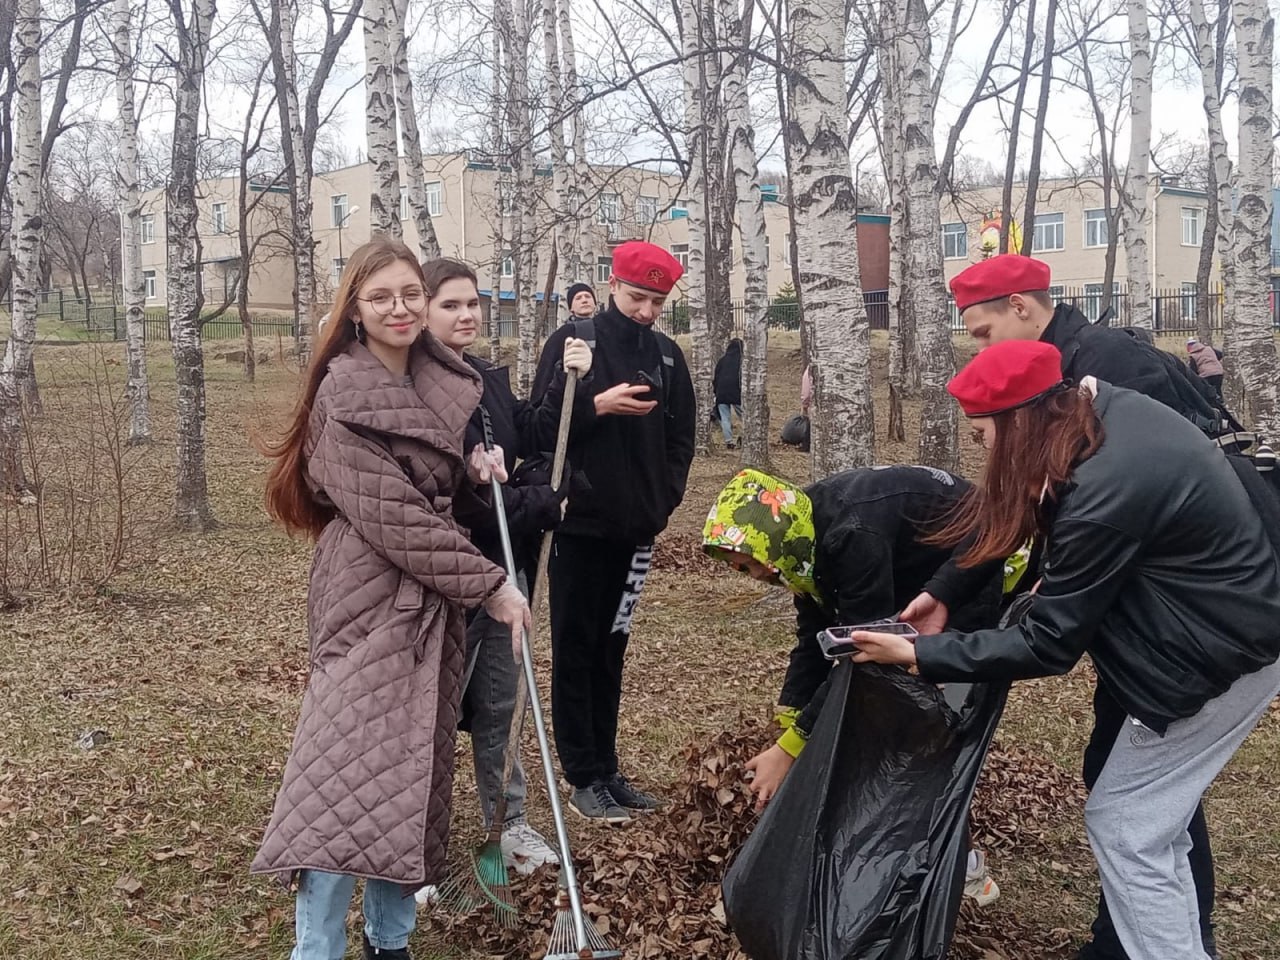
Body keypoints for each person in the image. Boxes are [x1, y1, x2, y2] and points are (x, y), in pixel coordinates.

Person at [853, 339, 1280, 960]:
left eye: (983, 434)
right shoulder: (1095, 410)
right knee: (1150, 829)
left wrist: (917, 657)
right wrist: (944, 591)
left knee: (1128, 828)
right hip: (1223, 632)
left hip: (1221, 659)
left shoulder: (1109, 485)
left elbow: (1049, 643)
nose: (982, 448)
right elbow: (1022, 506)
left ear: (1021, 420)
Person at [919, 254, 1223, 960]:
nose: (981, 345)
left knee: (1140, 795)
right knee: (1128, 782)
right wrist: (943, 592)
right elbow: (1018, 505)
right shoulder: (1046, 378)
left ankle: (1155, 937)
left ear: (1023, 307)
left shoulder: (1108, 365)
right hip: (1128, 613)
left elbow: (1169, 488)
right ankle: (1142, 933)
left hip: (1171, 614)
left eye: (983, 329)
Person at [251, 239, 533, 960]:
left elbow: (424, 491)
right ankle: (316, 950)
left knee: (409, 777)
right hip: (367, 598)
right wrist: (490, 584)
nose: (400, 308)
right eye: (381, 297)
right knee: (338, 781)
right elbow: (396, 519)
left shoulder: (440, 378)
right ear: (356, 309)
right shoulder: (341, 394)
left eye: (410, 292)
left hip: (430, 606)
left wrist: (470, 472)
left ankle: (390, 940)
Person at [701, 466, 1004, 904]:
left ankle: (963, 868)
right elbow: (815, 640)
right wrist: (790, 718)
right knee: (878, 713)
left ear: (772, 543)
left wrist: (790, 749)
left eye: (748, 564)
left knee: (926, 726)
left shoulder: (850, 533)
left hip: (971, 568)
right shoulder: (801, 538)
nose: (754, 575)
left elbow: (862, 656)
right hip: (910, 578)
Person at [415, 258, 593, 883]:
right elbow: (455, 499)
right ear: (422, 310)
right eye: (450, 306)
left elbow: (531, 432)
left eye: (473, 304)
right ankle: (417, 846)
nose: (466, 316)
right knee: (434, 715)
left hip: (503, 571)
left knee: (501, 701)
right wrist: (538, 503)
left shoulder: (484, 375)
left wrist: (569, 384)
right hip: (446, 578)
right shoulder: (418, 386)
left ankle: (508, 821)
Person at [529, 240, 697, 822]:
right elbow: (539, 434)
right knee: (576, 649)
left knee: (612, 648)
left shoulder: (669, 358)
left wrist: (662, 501)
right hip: (580, 528)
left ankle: (608, 767)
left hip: (637, 532)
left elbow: (682, 442)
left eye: (657, 300)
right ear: (611, 286)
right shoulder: (574, 345)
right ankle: (582, 775)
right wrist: (595, 406)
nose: (646, 311)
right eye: (636, 297)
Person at [713, 338, 743, 448]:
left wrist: (715, 391)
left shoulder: (722, 360)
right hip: (737, 392)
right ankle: (744, 436)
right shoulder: (742, 361)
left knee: (725, 418)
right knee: (745, 416)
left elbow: (716, 377)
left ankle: (729, 442)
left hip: (721, 393)